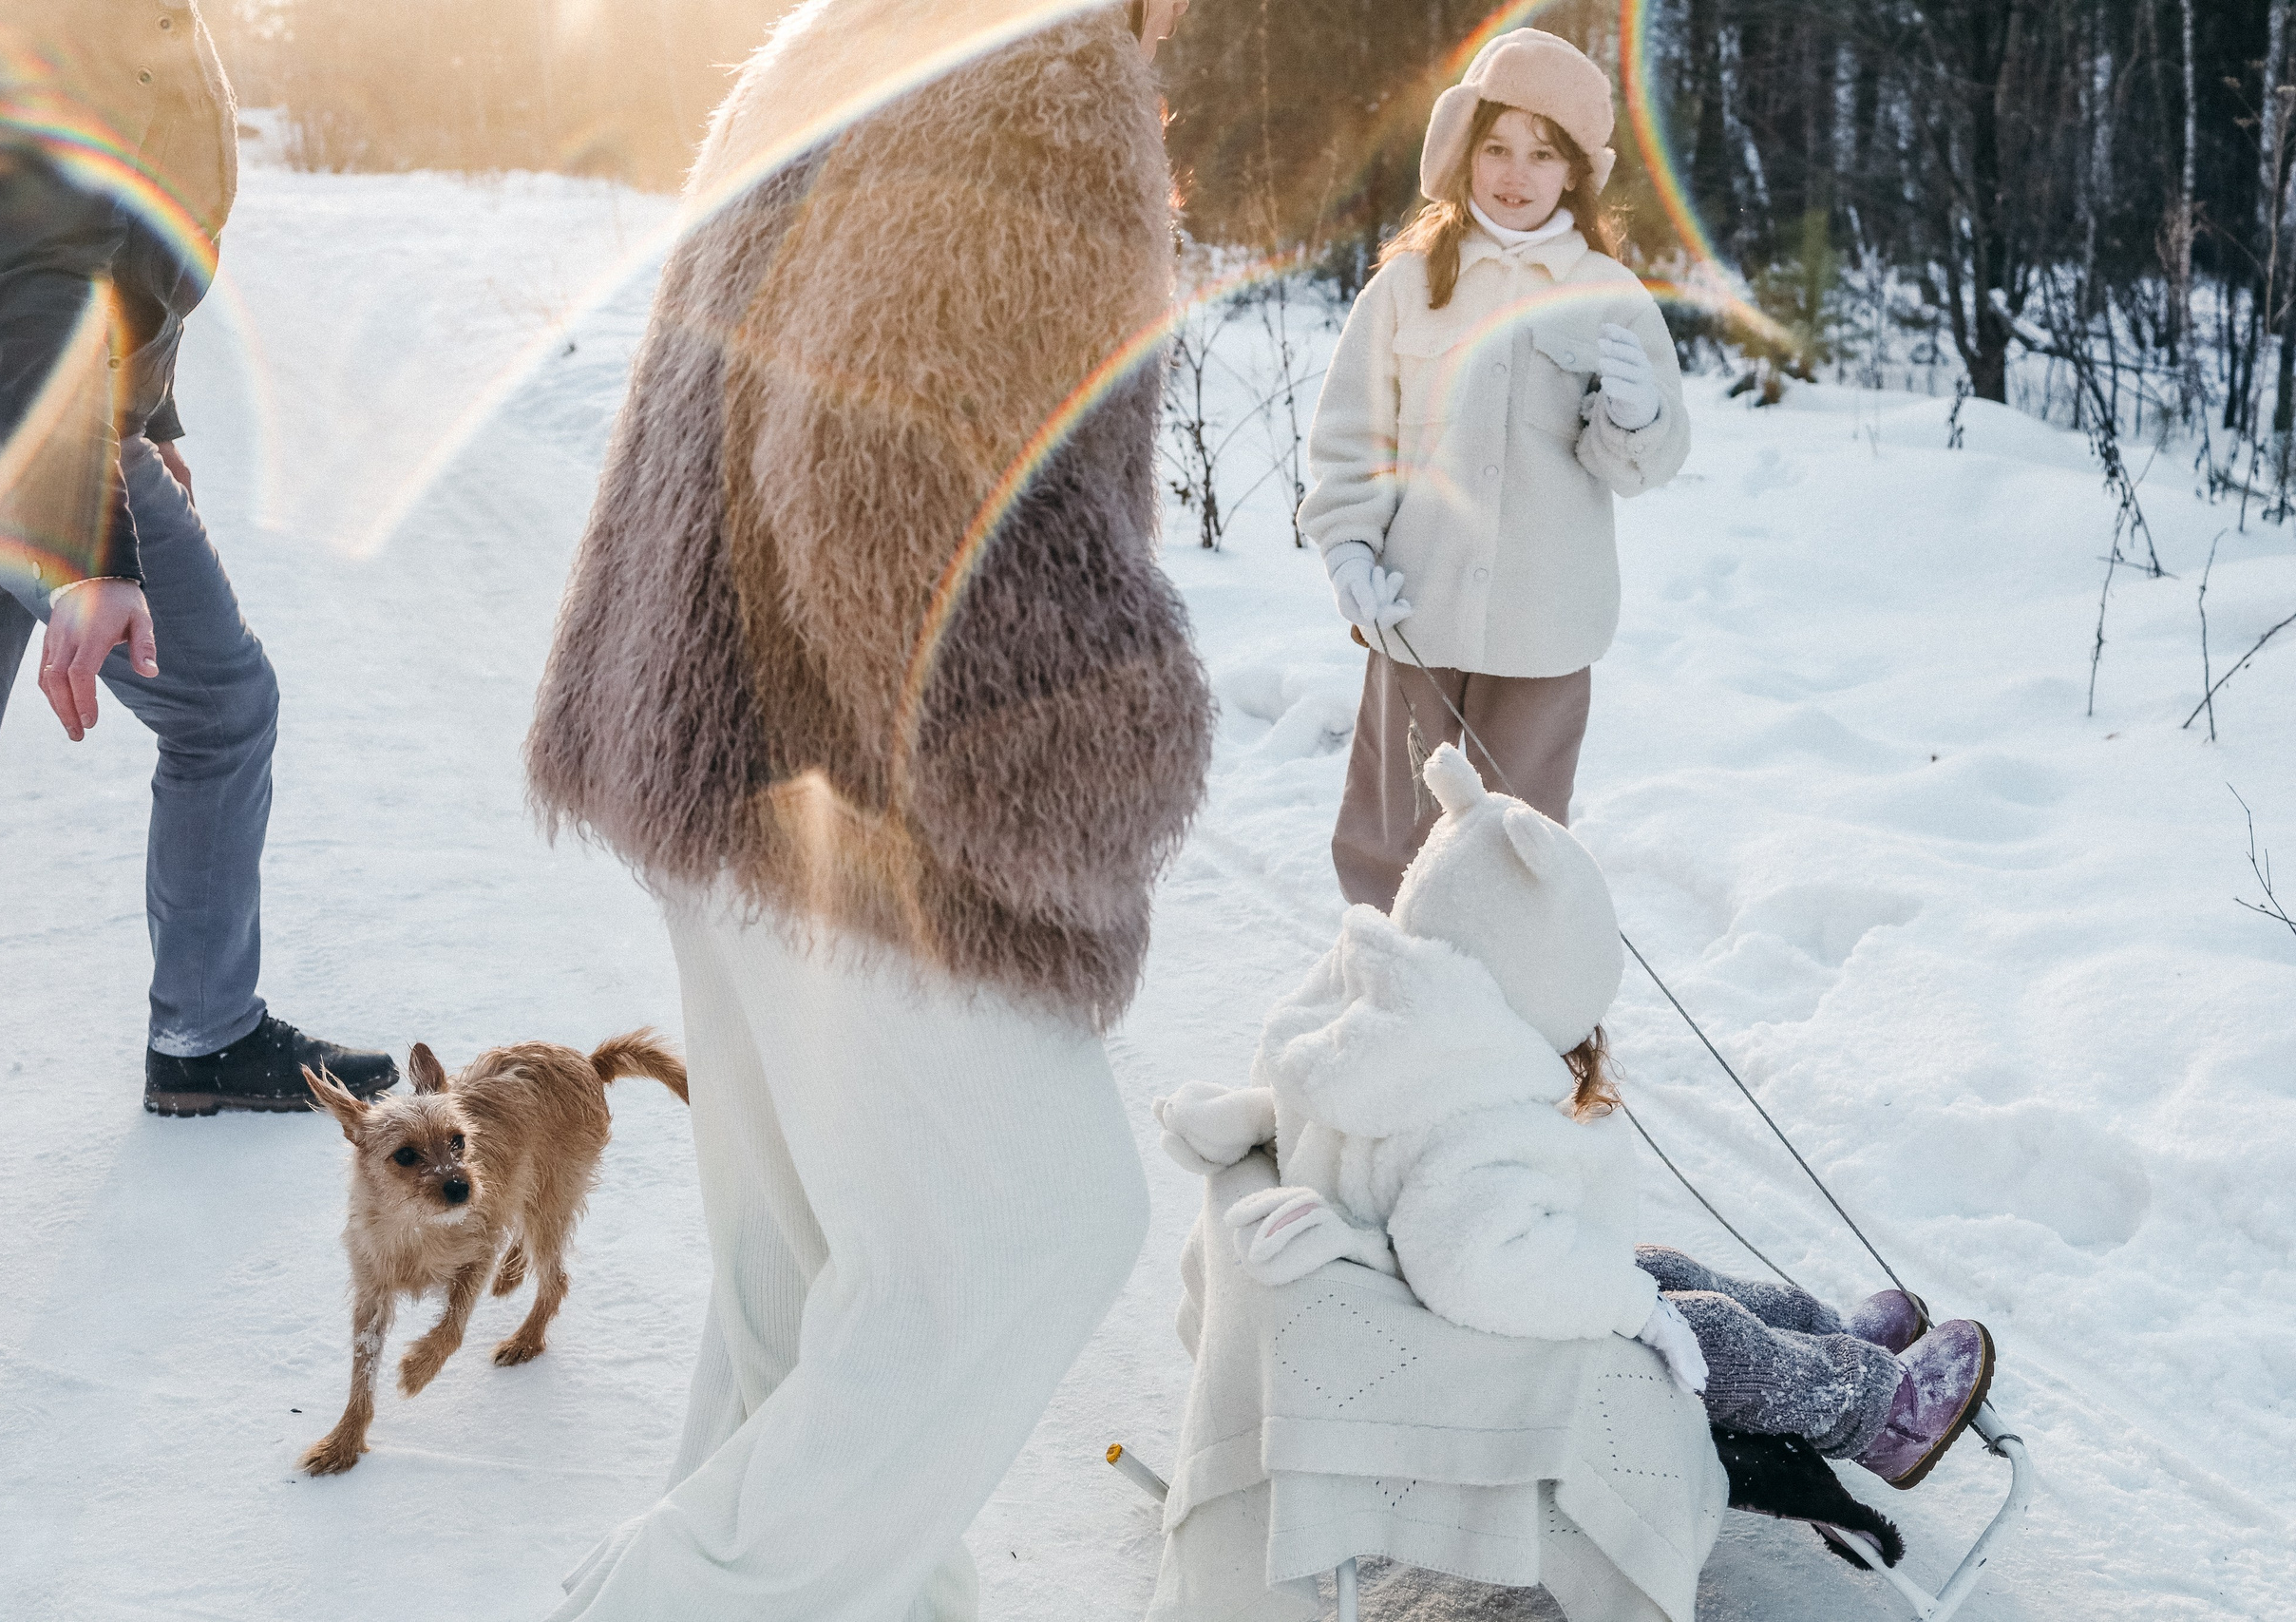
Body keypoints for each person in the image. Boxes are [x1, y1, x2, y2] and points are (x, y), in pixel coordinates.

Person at [523, 1, 1205, 1617]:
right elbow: (894, 476)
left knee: (812, 1286)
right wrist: (1116, 735)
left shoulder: (862, 31)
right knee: (1025, 1239)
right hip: (852, 806)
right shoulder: (1040, 69)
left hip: (721, 755)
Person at [1156, 743, 1997, 1502]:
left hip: (1406, 1303)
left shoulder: (1374, 1019)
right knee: (1709, 1332)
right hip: (1467, 1356)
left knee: (1661, 1265)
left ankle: (1834, 1338)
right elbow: (1471, 1260)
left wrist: (1625, 1284)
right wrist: (1634, 1309)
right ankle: (1883, 1416)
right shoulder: (1462, 1104)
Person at [0, 0, 393, 1113]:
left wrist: (149, 414)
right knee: (220, 709)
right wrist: (86, 552)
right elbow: (38, 268)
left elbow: (61, 214)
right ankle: (204, 1040)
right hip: (6, 434)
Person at [1300, 28, 1692, 909]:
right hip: (1415, 615)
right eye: (1497, 148)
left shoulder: (1611, 299)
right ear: (1464, 153)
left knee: (1516, 856)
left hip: (1545, 636)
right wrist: (1348, 553)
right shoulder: (1407, 287)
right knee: (1389, 842)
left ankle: (1508, 1033)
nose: (1515, 173)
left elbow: (1648, 462)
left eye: (1541, 154)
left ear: (1575, 174)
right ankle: (1387, 1002)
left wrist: (1637, 417)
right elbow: (1352, 438)